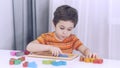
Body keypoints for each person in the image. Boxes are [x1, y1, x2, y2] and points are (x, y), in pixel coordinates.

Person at [26, 5, 97, 58]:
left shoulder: (72, 39)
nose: (65, 32)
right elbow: (29, 47)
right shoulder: (46, 37)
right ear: (54, 24)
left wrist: (88, 53)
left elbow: (84, 49)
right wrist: (50, 48)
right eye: (62, 28)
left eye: (69, 29)